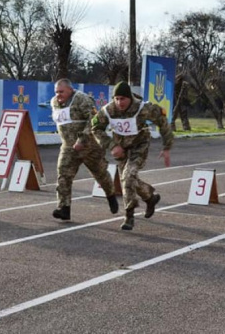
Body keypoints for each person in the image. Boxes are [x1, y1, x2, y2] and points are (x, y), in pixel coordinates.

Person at [91, 81, 173, 230]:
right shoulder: (108, 110)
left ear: (129, 98)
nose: (119, 102)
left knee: (128, 177)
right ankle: (150, 197)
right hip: (121, 149)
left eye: (123, 99)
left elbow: (163, 121)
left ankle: (129, 216)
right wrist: (111, 145)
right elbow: (96, 128)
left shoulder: (143, 108)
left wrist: (167, 147)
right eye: (117, 99)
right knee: (127, 180)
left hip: (139, 147)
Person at [51, 79, 118, 221]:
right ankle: (64, 208)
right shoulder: (54, 102)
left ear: (70, 89)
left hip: (89, 146)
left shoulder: (82, 99)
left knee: (100, 174)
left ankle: (111, 195)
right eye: (56, 92)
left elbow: (94, 120)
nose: (58, 95)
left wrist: (82, 139)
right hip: (68, 147)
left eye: (61, 92)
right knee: (63, 175)